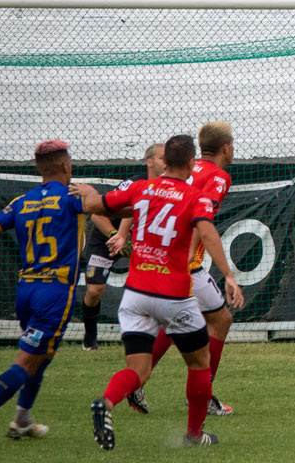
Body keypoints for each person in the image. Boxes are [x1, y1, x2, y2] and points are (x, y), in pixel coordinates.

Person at [73, 134, 244, 450]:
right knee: (199, 363)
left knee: (138, 370)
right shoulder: (195, 197)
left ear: (164, 162)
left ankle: (106, 403)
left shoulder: (139, 188)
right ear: (192, 163)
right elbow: (206, 231)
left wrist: (91, 194)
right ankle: (194, 434)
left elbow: (95, 206)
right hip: (174, 296)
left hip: (135, 295)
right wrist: (230, 275)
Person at [0, 140, 111, 445]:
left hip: (26, 292)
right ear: (65, 167)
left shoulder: (22, 201)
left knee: (42, 355)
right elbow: (104, 207)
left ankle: (22, 419)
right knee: (26, 362)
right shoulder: (72, 197)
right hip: (54, 293)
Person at [131, 122, 236, 417]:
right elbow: (201, 220)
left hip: (160, 257)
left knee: (177, 321)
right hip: (185, 264)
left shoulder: (187, 170)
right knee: (221, 320)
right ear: (226, 147)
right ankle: (203, 396)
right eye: (232, 143)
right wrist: (189, 256)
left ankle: (136, 381)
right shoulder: (217, 177)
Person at [79, 143, 165, 351]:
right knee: (95, 289)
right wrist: (115, 235)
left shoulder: (170, 186)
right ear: (149, 161)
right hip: (105, 238)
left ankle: (148, 337)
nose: (167, 162)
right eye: (163, 157)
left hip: (139, 241)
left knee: (153, 285)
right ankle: (90, 336)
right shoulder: (134, 184)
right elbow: (97, 215)